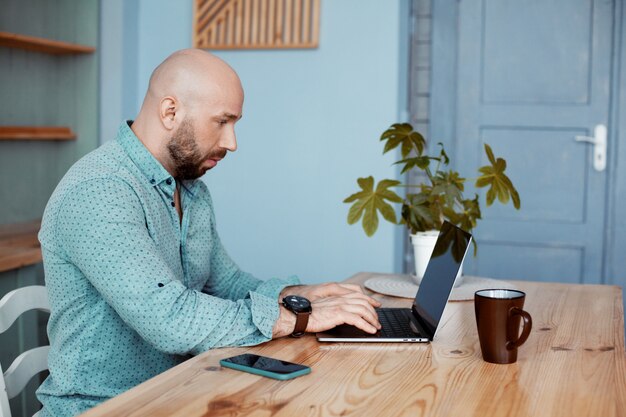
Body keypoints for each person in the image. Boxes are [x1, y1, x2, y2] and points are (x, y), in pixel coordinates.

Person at [36, 49, 381, 417]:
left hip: (179, 393)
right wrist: (297, 318)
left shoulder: (190, 188)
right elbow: (169, 320)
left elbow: (224, 281)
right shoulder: (100, 189)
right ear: (170, 112)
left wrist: (299, 295)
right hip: (102, 408)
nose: (232, 142)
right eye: (222, 121)